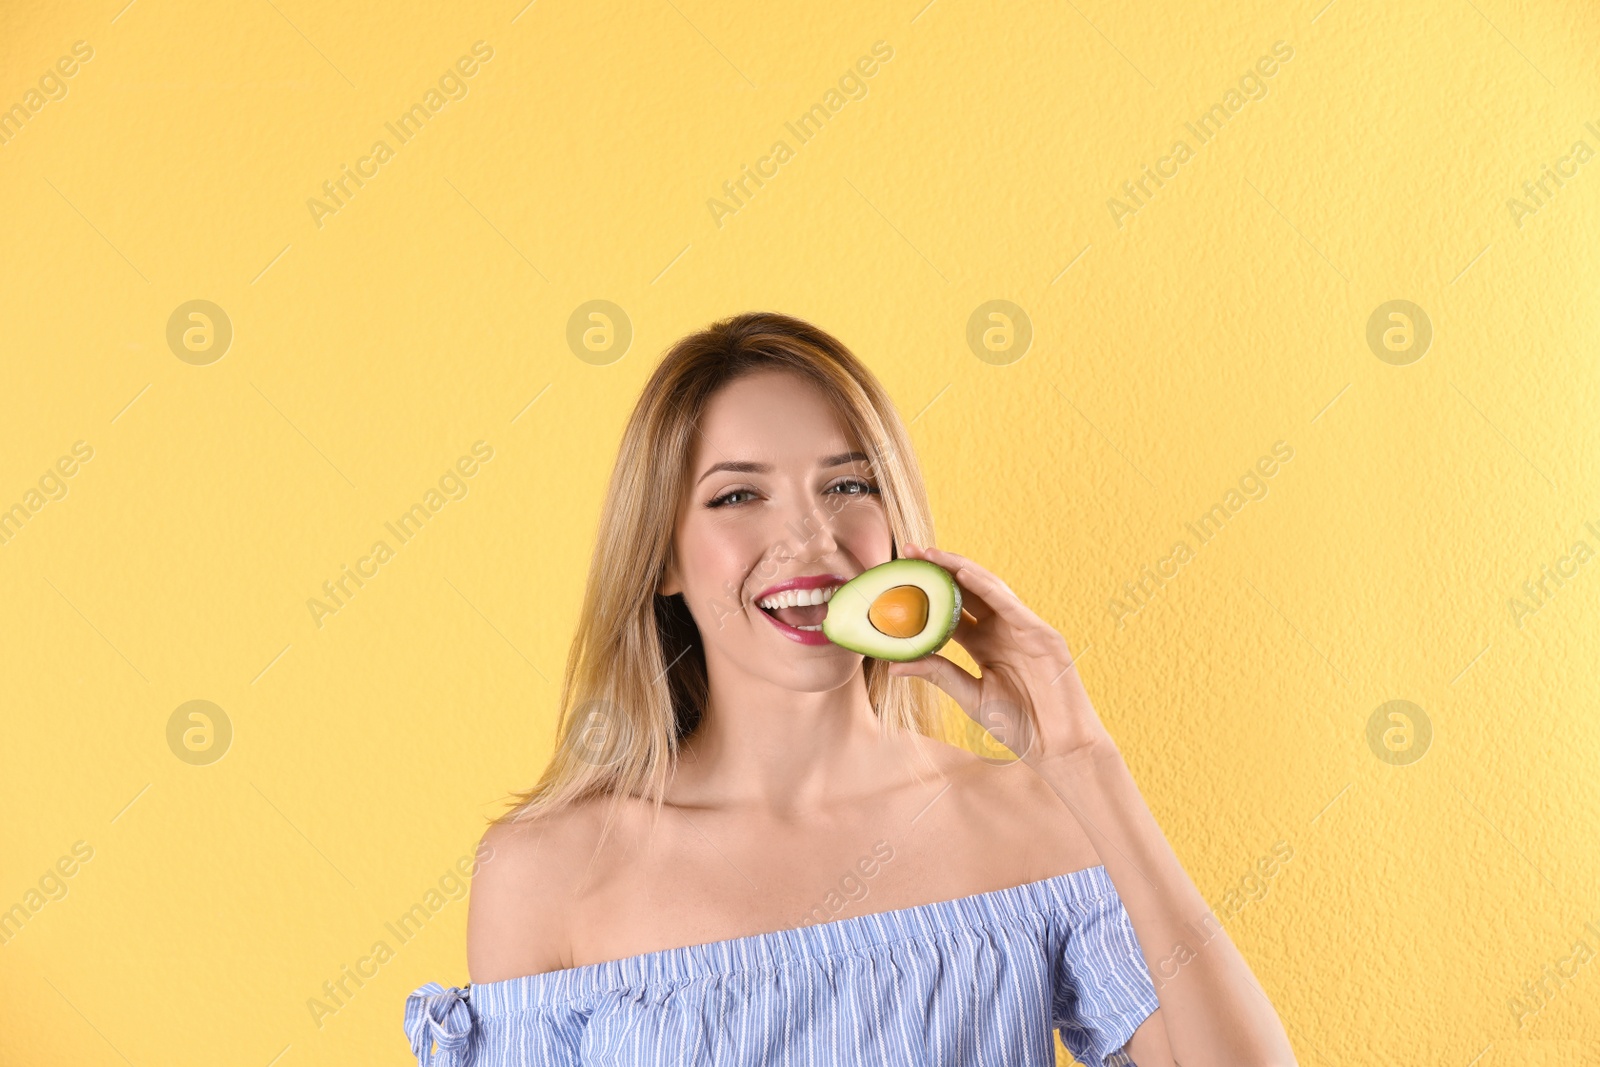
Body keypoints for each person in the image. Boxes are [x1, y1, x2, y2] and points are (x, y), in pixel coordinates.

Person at [404, 311, 1296, 1066]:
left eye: (849, 484)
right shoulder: (543, 873)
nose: (809, 538)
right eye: (737, 497)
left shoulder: (1032, 826)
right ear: (663, 556)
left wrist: (1085, 763)